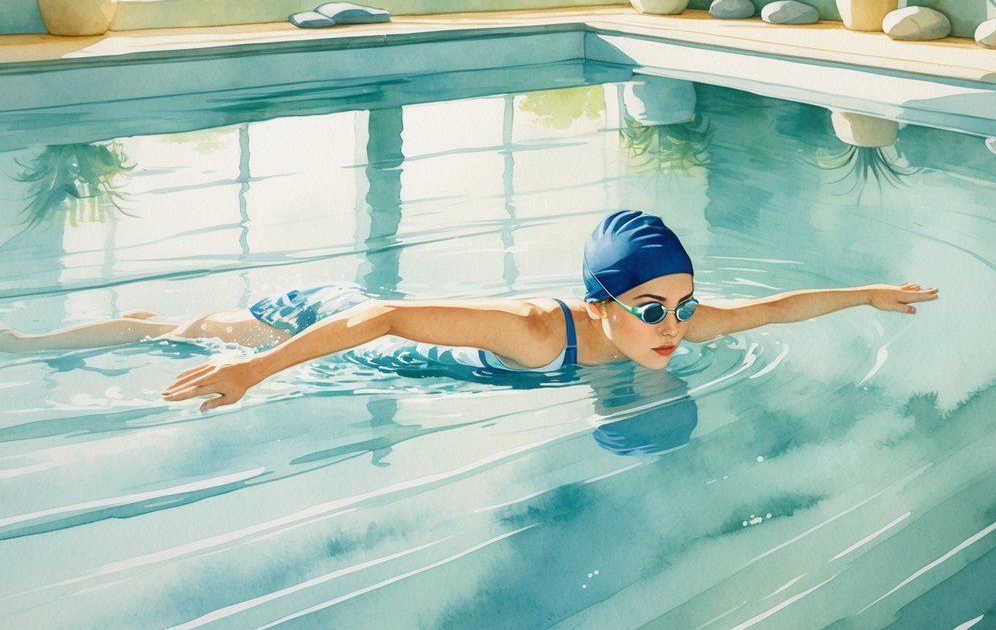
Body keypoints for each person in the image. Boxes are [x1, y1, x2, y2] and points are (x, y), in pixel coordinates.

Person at [0, 210, 938, 410]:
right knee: (196, 328)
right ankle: (33, 337)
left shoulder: (674, 327)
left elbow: (773, 312)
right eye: (652, 310)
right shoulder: (538, 332)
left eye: (685, 307)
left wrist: (867, 293)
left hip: (376, 343)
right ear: (598, 305)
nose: (676, 328)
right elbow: (389, 319)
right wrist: (254, 369)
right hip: (335, 318)